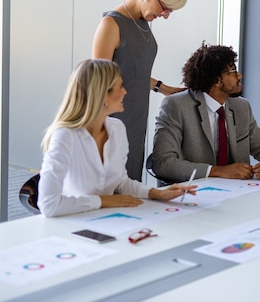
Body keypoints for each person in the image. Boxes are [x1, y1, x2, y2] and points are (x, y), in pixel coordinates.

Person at [38, 59, 196, 218]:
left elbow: (121, 181)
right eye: (120, 86)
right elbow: (48, 204)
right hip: (71, 224)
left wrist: (156, 193)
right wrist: (104, 201)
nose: (125, 92)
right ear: (101, 94)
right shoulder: (65, 135)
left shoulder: (117, 128)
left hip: (107, 219)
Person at [92, 0, 188, 181]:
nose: (166, 16)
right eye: (165, 8)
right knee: (110, 187)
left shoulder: (142, 23)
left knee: (130, 184)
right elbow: (96, 84)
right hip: (113, 120)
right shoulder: (111, 25)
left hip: (136, 118)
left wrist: (163, 88)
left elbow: (130, 70)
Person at [150, 43, 260, 182]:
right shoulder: (176, 106)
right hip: (189, 194)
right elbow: (162, 163)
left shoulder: (241, 107)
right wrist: (219, 171)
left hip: (237, 192)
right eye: (233, 71)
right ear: (216, 80)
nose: (239, 75)